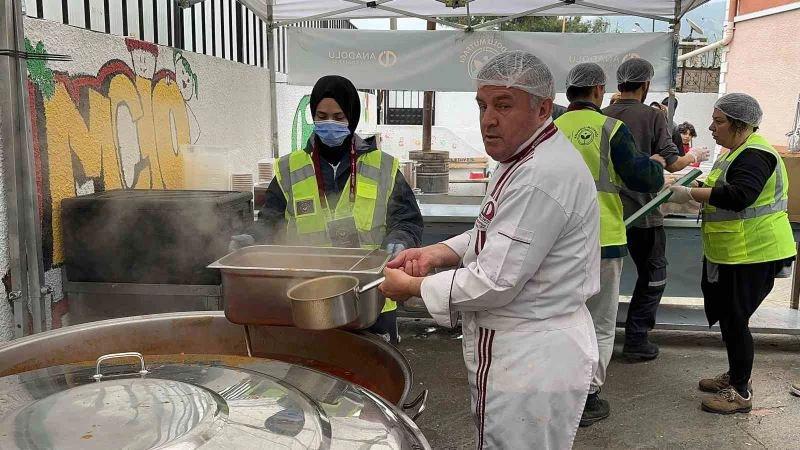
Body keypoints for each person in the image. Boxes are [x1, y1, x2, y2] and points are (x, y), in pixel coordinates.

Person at [378, 51, 600, 449]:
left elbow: (496, 280)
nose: (488, 119)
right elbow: (491, 232)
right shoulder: (518, 160)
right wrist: (437, 253)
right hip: (518, 350)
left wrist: (411, 288)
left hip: (531, 356)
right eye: (482, 105)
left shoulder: (540, 175)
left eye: (503, 105)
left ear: (543, 107)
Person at [259, 75, 423, 345]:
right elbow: (270, 223)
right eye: (322, 116)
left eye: (338, 117)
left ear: (352, 118)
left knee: (374, 377)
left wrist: (401, 240)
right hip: (309, 297)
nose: (329, 124)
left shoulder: (384, 166)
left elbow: (408, 220)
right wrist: (252, 238)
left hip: (371, 297)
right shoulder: (289, 168)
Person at [667, 93, 795, 414]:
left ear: (740, 124)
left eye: (719, 121)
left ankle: (740, 392)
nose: (711, 127)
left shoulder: (755, 154)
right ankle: (736, 375)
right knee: (729, 316)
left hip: (754, 253)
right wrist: (686, 182)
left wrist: (689, 193)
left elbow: (740, 196)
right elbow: (721, 186)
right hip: (733, 251)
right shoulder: (734, 152)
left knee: (736, 321)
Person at [555, 62, 666, 426]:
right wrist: (655, 162)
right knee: (600, 323)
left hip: (554, 243)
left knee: (558, 319)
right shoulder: (610, 129)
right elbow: (643, 177)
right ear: (600, 90)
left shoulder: (549, 129)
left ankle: (556, 389)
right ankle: (587, 398)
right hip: (602, 240)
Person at [603, 58, 710, 362]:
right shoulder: (653, 117)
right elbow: (673, 162)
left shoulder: (602, 116)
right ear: (646, 84)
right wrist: (695, 156)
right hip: (644, 212)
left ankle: (596, 341)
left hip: (607, 215)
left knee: (598, 279)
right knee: (653, 274)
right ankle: (636, 338)